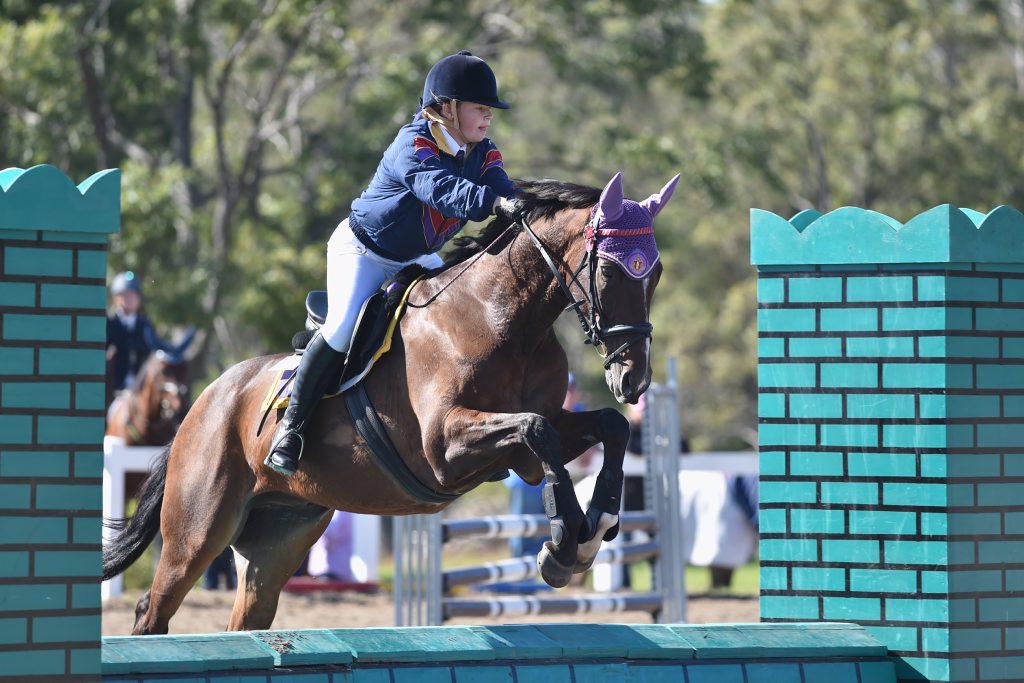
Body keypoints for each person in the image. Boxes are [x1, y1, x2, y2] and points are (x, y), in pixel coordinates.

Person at [265, 50, 518, 476]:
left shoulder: (484, 152)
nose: (488, 117)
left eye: (489, 110)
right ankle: (290, 430)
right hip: (363, 250)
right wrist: (493, 202)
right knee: (344, 326)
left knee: (460, 315)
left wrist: (527, 205)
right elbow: (441, 190)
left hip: (415, 253)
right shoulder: (413, 143)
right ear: (448, 108)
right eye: (480, 108)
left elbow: (502, 186)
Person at [105, 271, 174, 401]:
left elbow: (154, 349)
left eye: (134, 295)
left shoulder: (144, 325)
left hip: (141, 390)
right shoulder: (110, 323)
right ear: (116, 297)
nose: (131, 299)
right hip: (111, 390)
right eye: (126, 295)